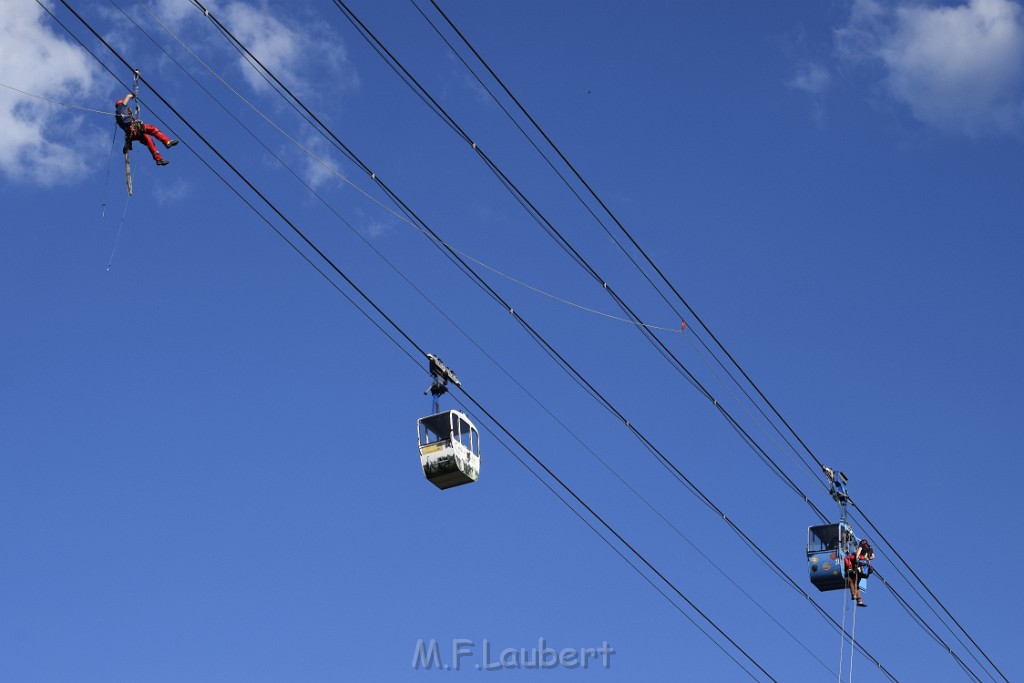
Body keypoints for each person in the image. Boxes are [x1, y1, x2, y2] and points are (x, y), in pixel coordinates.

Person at [115, 92, 178, 166]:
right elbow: (128, 96)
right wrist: (133, 95)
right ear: (121, 104)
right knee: (153, 129)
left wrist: (134, 114)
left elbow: (127, 122)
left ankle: (159, 159)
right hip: (134, 129)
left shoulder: (119, 116)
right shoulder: (121, 107)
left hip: (132, 134)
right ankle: (167, 142)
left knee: (148, 140)